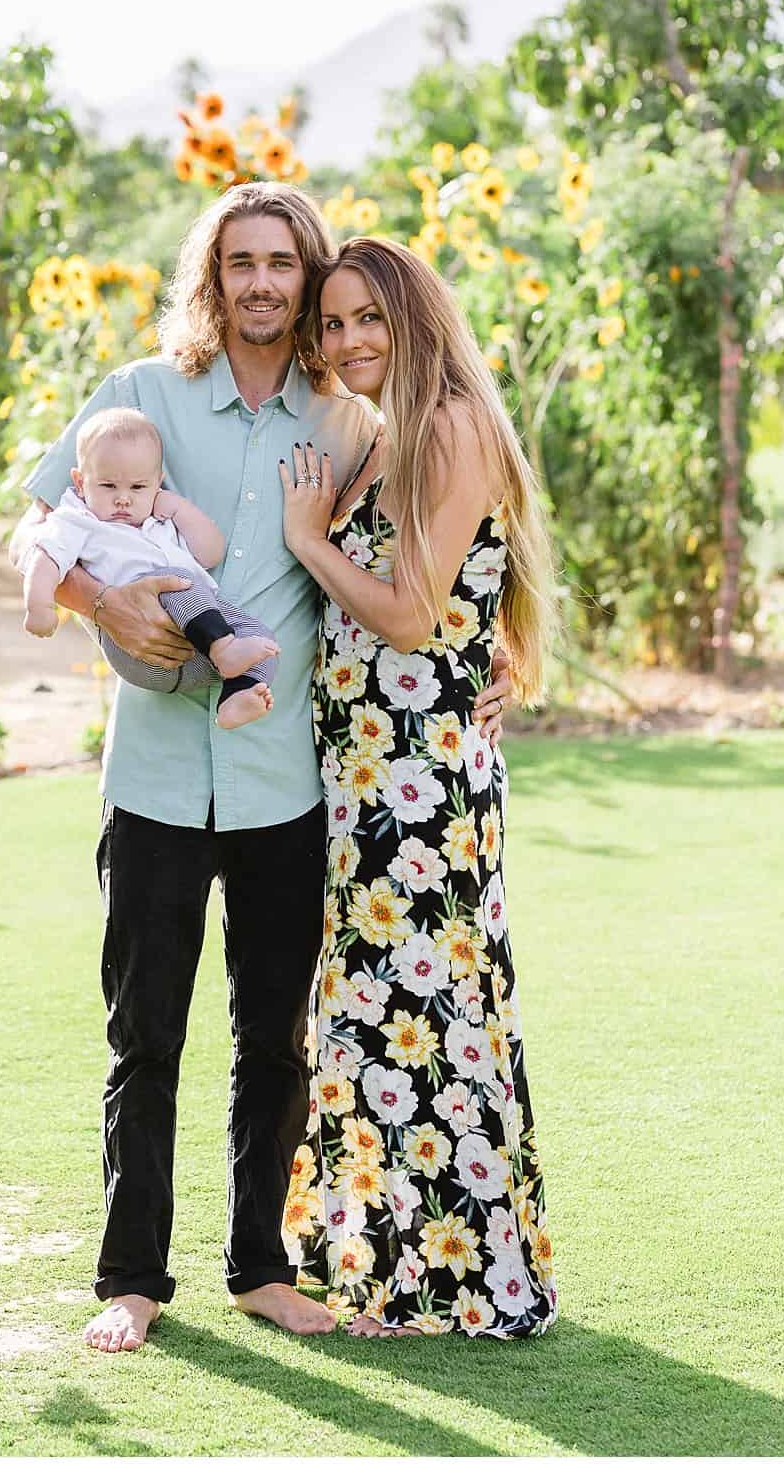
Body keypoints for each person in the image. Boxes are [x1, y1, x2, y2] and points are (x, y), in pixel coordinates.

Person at [9, 186, 510, 1356]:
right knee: (144, 1037)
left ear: (308, 274)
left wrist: (512, 654)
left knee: (273, 1041)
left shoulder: (349, 421)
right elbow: (27, 528)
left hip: (290, 784)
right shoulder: (134, 394)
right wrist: (97, 596)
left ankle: (258, 1269)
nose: (263, 283)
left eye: (283, 262)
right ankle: (130, 1277)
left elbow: (455, 540)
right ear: (212, 274)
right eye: (241, 261)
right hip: (153, 783)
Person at [276, 235, 557, 1339]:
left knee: (424, 1013)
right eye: (333, 323)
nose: (347, 341)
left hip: (419, 784)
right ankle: (385, 1265)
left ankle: (459, 1280)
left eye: (366, 320)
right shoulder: (389, 435)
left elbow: (405, 611)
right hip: (366, 775)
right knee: (380, 1012)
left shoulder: (450, 425)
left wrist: (307, 537)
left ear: (413, 317)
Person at [21, 407, 281, 729]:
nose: (123, 500)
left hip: (195, 653)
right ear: (80, 481)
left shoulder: (159, 522)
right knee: (175, 582)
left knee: (261, 637)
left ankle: (236, 696)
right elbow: (43, 556)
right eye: (108, 486)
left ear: (157, 484)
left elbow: (211, 553)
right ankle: (225, 648)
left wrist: (176, 508)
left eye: (138, 488)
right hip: (138, 651)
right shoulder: (78, 519)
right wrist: (39, 606)